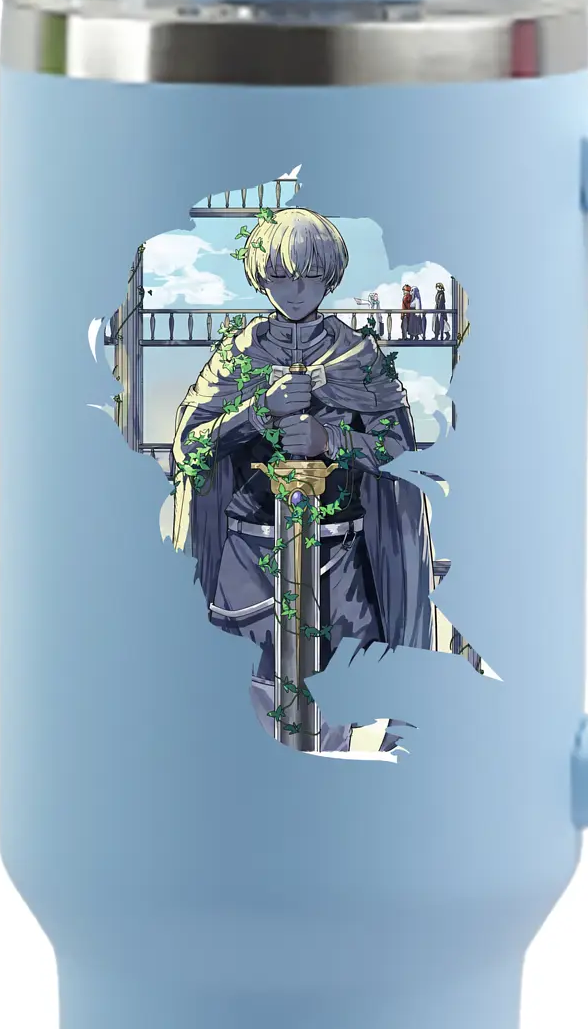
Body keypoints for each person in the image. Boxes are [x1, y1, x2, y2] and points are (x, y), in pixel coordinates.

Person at [168, 210, 476, 750]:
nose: (295, 291)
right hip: (250, 552)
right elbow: (190, 443)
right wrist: (257, 412)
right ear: (260, 276)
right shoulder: (237, 356)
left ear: (330, 277)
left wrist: (329, 439)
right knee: (253, 690)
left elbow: (398, 445)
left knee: (345, 686)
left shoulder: (359, 356)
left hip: (341, 554)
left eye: (309, 276)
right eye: (280, 276)